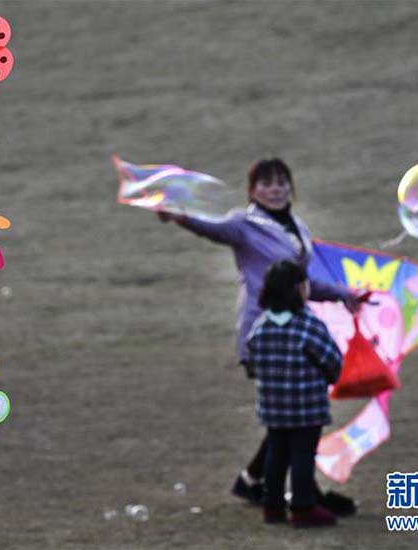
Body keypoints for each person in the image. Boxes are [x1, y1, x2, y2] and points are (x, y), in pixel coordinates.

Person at [158, 158, 358, 515]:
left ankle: (261, 483)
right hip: (267, 332)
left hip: (295, 329)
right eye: (266, 184)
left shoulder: (297, 226)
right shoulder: (243, 224)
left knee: (289, 414)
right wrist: (180, 216)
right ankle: (302, 495)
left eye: (281, 182)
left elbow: (303, 283)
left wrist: (343, 294)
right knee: (294, 415)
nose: (275, 189)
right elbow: (212, 229)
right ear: (252, 191)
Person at [247, 260, 342, 527]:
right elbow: (332, 360)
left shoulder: (261, 328)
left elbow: (253, 364)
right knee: (302, 456)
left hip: (274, 409)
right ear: (298, 290)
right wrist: (329, 378)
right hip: (306, 408)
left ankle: (273, 507)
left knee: (275, 456)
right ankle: (303, 507)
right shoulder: (309, 326)